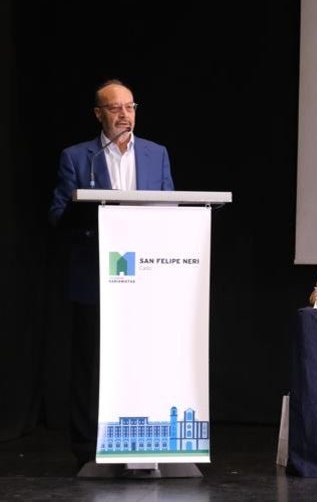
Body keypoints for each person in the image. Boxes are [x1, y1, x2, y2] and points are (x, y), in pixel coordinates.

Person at [48, 79, 174, 468]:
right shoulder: (77, 157)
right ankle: (87, 448)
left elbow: (170, 207)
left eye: (130, 107)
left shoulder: (157, 154)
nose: (125, 115)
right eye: (115, 108)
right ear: (98, 114)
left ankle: (143, 442)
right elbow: (57, 216)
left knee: (144, 359)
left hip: (146, 276)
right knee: (91, 363)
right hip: (96, 275)